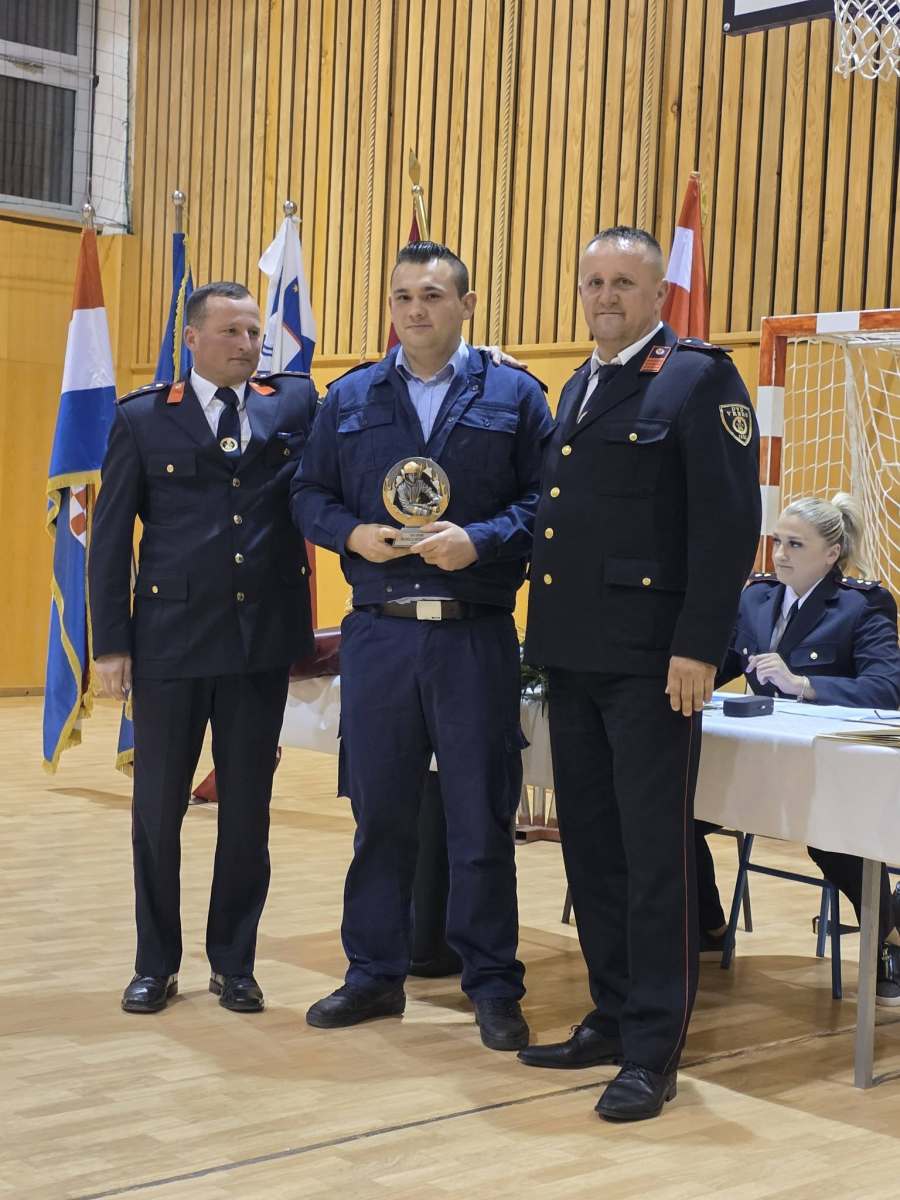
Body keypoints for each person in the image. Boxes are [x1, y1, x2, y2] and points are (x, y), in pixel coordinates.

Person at [520, 227, 761, 1121]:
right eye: (594, 282)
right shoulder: (578, 383)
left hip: (654, 665)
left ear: (660, 293)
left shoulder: (699, 379)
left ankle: (654, 1049)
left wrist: (698, 646)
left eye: (625, 282)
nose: (606, 296)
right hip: (573, 654)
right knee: (592, 848)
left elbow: (727, 526)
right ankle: (612, 1013)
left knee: (655, 855)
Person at [291, 241, 553, 1051]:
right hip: (380, 635)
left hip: (473, 634)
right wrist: (352, 534)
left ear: (466, 305)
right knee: (380, 817)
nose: (416, 310)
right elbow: (307, 492)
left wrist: (481, 540)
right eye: (403, 296)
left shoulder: (515, 394)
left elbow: (549, 498)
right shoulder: (350, 396)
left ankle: (493, 984)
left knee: (480, 820)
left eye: (433, 295)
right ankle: (374, 974)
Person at [90, 281, 317, 1015]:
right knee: (158, 812)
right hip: (172, 644)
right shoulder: (144, 417)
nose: (248, 345)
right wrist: (111, 645)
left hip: (258, 644)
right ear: (192, 339)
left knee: (248, 813)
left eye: (254, 332)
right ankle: (155, 963)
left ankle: (235, 963)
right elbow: (110, 540)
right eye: (231, 332)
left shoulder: (293, 404)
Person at [697, 493, 900, 1005]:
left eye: (795, 544)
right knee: (677, 810)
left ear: (831, 554)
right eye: (777, 542)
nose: (780, 554)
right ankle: (707, 925)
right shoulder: (756, 597)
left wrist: (804, 685)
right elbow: (718, 664)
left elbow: (886, 689)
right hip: (757, 761)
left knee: (835, 837)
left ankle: (889, 939)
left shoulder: (861, 605)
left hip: (828, 769)